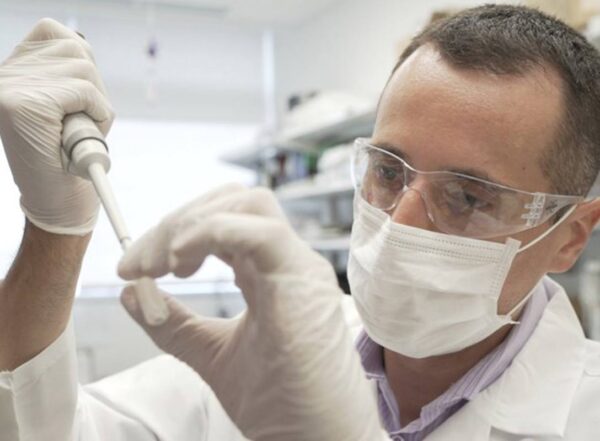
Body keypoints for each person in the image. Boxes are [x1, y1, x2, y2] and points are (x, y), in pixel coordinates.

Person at [2, 4, 600, 440]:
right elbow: (52, 430)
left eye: (468, 198)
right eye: (389, 173)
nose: (401, 223)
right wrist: (55, 225)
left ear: (570, 235)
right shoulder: (277, 351)